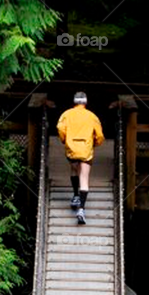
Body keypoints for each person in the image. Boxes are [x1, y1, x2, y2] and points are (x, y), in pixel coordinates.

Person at [56, 91, 104, 224]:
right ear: (86, 103)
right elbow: (99, 135)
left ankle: (75, 195)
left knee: (73, 170)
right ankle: (81, 209)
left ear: (74, 102)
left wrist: (64, 140)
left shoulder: (66, 114)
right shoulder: (92, 116)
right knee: (84, 177)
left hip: (71, 148)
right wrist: (95, 143)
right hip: (86, 150)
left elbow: (60, 129)